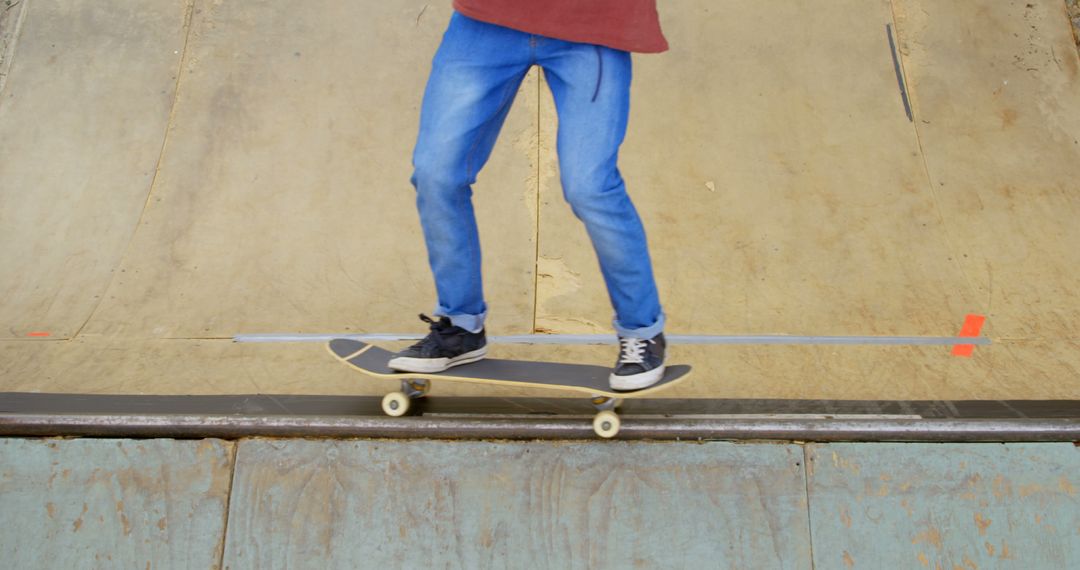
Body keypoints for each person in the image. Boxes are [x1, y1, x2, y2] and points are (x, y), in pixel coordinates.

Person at [388, 0, 669, 391]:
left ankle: (642, 332)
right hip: (487, 20)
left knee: (590, 187)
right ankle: (461, 327)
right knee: (436, 174)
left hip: (594, 23)